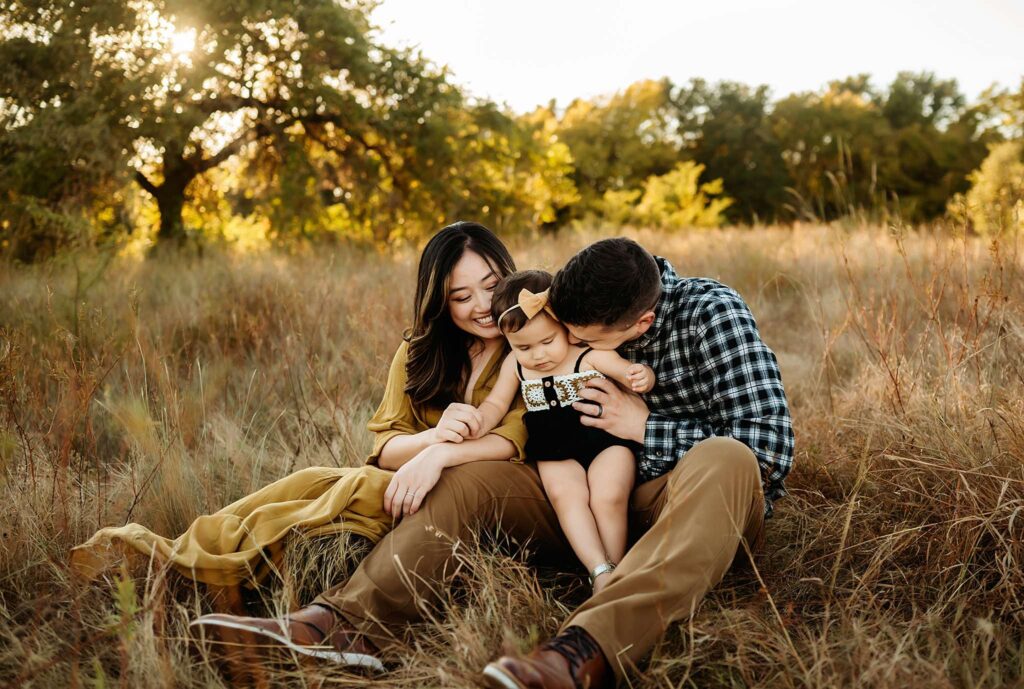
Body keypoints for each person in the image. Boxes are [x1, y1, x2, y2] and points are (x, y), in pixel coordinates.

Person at [195, 235, 794, 689]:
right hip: (571, 485)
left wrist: (643, 426)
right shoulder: (575, 299)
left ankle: (579, 654)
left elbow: (769, 448)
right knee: (472, 478)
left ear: (640, 324)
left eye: (591, 340)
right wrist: (451, 440)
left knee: (728, 455)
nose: (573, 348)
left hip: (679, 501)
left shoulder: (712, 314)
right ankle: (343, 627)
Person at [465, 269, 654, 594]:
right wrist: (480, 420)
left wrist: (641, 375)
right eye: (523, 347)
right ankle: (597, 569)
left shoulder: (589, 356)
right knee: (568, 497)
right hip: (552, 444)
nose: (537, 355)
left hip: (605, 437)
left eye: (547, 341)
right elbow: (497, 403)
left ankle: (616, 570)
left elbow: (629, 372)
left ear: (565, 327)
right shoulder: (515, 365)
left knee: (608, 494)